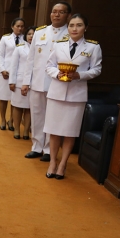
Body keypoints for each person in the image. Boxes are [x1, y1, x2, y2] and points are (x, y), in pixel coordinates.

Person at [44, 13, 102, 179]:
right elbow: (49, 66)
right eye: (71, 25)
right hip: (56, 92)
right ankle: (53, 162)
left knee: (70, 132)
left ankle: (63, 164)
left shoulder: (93, 47)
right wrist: (57, 73)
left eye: (79, 25)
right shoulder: (58, 45)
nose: (74, 29)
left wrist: (79, 75)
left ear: (86, 28)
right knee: (53, 131)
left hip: (76, 95)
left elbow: (97, 69)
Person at [22, 2, 71, 162]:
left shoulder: (70, 33)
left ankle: (49, 149)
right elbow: (31, 59)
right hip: (37, 82)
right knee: (37, 115)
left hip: (57, 84)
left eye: (61, 12)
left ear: (68, 15)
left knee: (53, 117)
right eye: (54, 12)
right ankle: (36, 146)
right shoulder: (41, 32)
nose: (56, 15)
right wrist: (25, 82)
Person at [0, 18, 25, 131]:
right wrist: (2, 69)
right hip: (6, 72)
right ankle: (3, 119)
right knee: (3, 97)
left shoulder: (26, 39)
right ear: (12, 26)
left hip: (18, 73)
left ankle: (11, 120)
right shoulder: (5, 38)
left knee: (15, 98)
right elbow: (0, 54)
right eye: (17, 26)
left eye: (22, 26)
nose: (20, 28)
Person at [7, 26, 35, 141]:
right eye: (29, 34)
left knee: (29, 108)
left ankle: (26, 131)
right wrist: (12, 81)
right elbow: (13, 66)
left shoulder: (40, 49)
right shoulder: (19, 48)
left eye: (33, 34)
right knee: (18, 106)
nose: (31, 36)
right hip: (19, 82)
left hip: (33, 83)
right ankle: (17, 129)